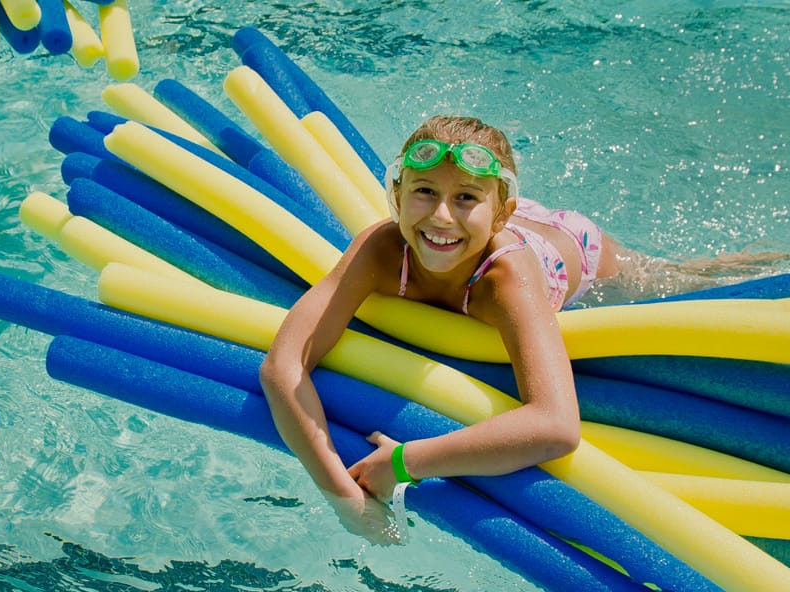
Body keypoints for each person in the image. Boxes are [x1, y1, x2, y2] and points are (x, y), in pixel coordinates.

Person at [259, 115, 624, 539]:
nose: (441, 216)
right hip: (498, 219)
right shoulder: (381, 248)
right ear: (397, 194)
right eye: (424, 191)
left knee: (679, 279)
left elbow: (556, 426)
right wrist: (343, 495)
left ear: (501, 214)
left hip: (574, 247)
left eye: (464, 197)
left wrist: (404, 462)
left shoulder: (508, 278)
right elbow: (282, 367)